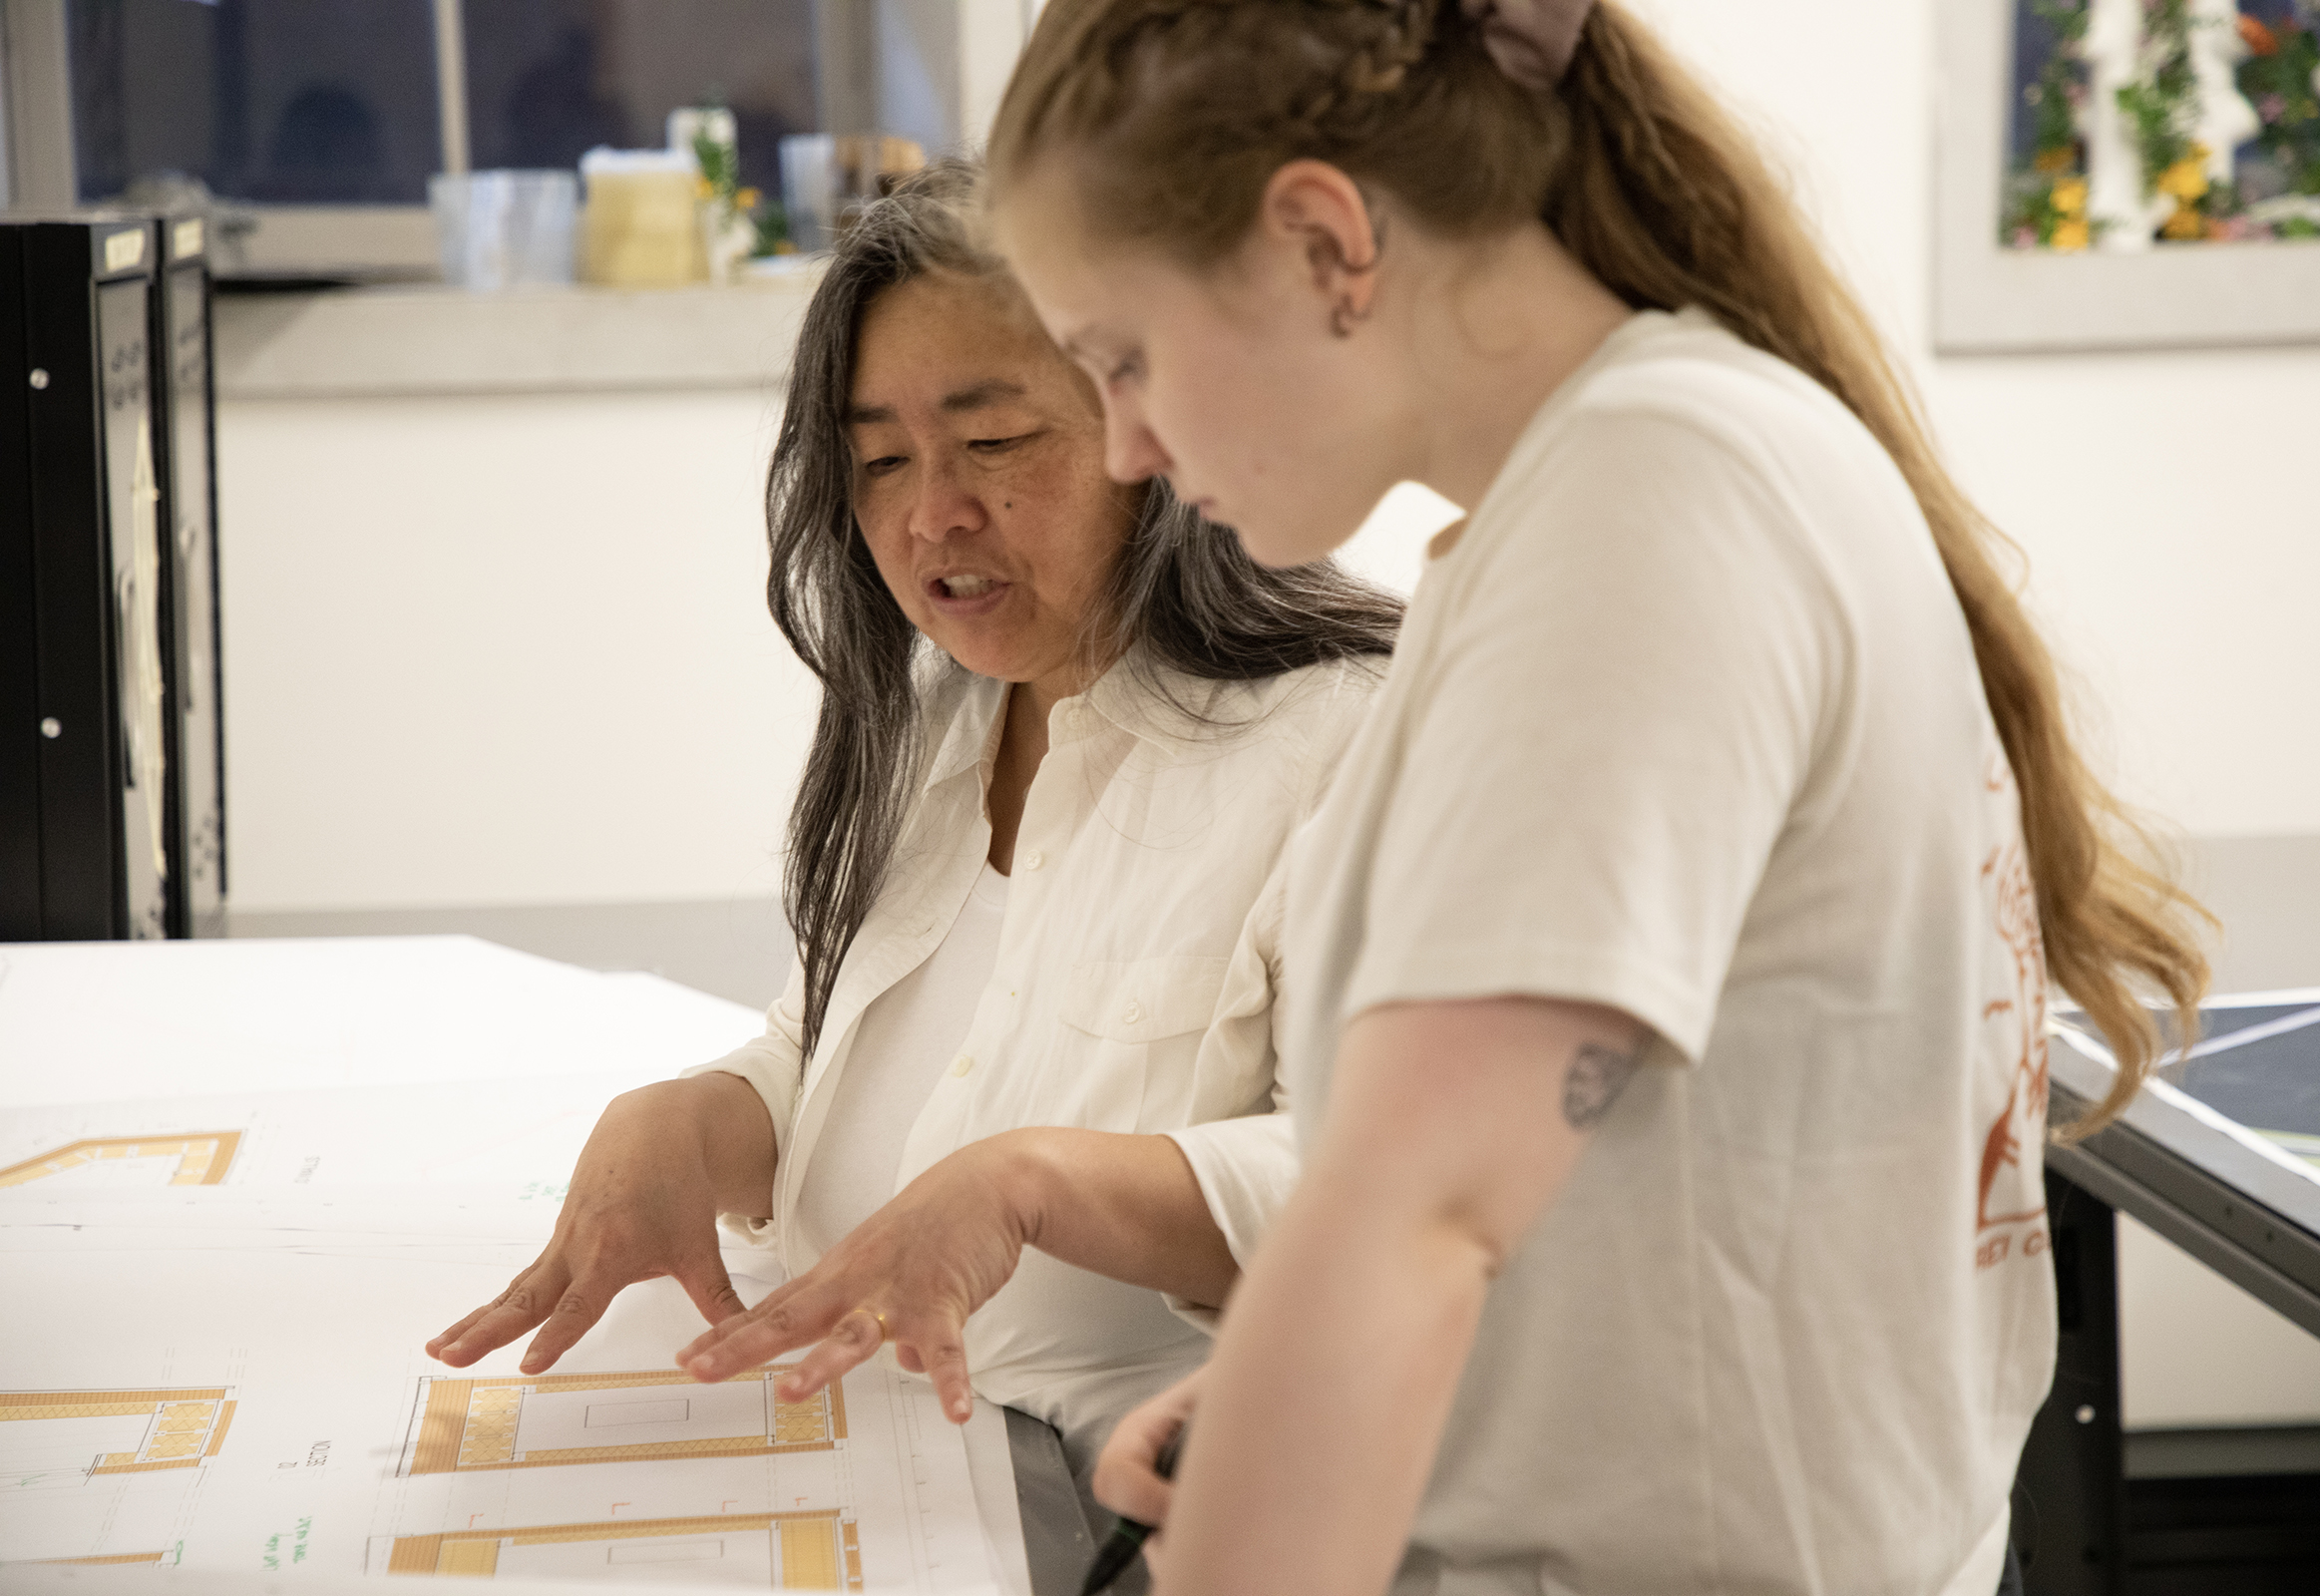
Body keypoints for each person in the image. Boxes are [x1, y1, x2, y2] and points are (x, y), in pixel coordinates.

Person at [984, 3, 2213, 1593]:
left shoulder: (1649, 507)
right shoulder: (1643, 476)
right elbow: (1677, 1157)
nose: (1130, 446)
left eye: (1124, 359)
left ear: (1322, 243)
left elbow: (1418, 1222)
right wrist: (1335, 1400)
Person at [424, 163, 1401, 1500]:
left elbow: (1402, 1193)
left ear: (1153, 430)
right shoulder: (942, 712)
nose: (930, 513)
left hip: (1112, 1508)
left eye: (994, 443)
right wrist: (698, 1122)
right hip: (852, 1472)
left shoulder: (1344, 745)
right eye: (878, 460)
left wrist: (1033, 1185)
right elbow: (829, 1053)